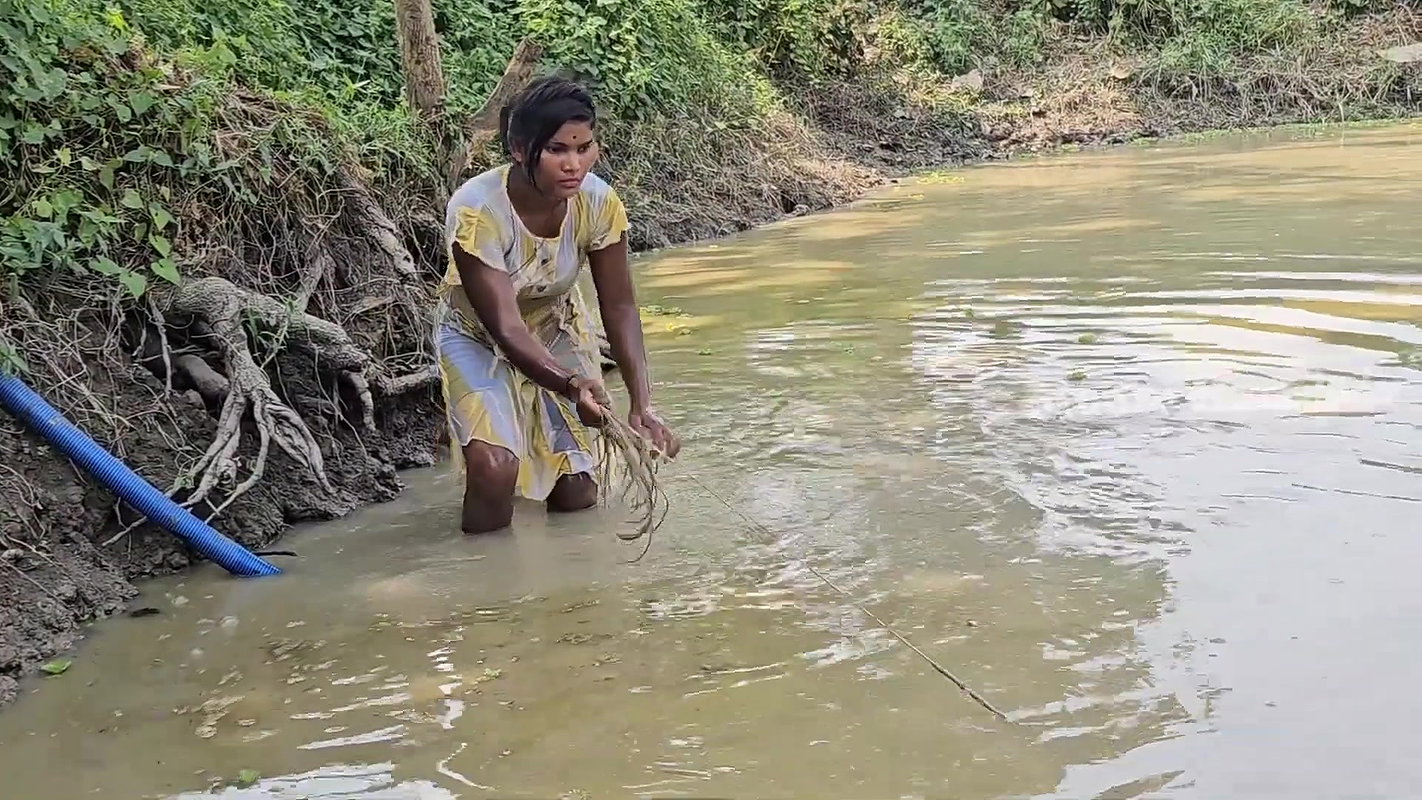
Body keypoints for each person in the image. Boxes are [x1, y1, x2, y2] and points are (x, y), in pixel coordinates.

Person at [435, 75, 681, 534]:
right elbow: (505, 329)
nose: (574, 165)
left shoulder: (597, 202)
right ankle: (491, 596)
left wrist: (642, 405)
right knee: (494, 469)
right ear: (520, 150)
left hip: (556, 325)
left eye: (584, 148)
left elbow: (620, 307)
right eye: (556, 151)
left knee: (576, 491)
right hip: (477, 335)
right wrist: (572, 386)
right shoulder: (477, 210)